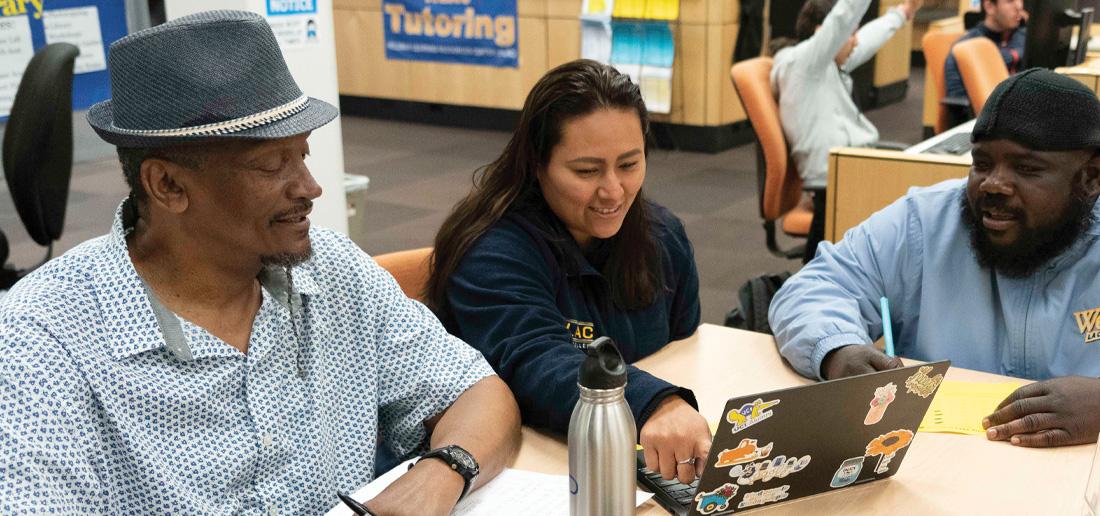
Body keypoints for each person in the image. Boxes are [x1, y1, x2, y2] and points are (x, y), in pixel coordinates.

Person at [0, 11, 520, 514]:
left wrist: (443, 470)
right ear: (168, 185)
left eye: (303, 155)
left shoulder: (333, 270)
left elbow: (477, 392)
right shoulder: (44, 340)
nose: (311, 189)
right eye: (271, 164)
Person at [769, 69, 1100, 448]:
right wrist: (837, 350)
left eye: (1026, 169)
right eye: (983, 163)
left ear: (1090, 178)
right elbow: (816, 287)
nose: (993, 184)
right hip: (940, 469)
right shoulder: (925, 221)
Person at [426, 59, 709, 485]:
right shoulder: (491, 251)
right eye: (587, 171)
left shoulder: (663, 236)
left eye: (629, 165)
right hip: (528, 468)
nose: (613, 191)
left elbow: (685, 354)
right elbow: (536, 362)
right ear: (537, 165)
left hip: (632, 456)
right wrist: (655, 403)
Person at [771, 0, 922, 262]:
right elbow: (844, 14)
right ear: (824, 33)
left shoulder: (824, 65)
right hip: (836, 179)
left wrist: (903, 12)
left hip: (851, 169)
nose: (854, 41)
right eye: (850, 34)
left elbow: (868, 39)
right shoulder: (804, 66)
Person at [944, 0, 1026, 100]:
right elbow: (958, 102)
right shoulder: (966, 47)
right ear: (989, 6)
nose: (1019, 6)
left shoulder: (1022, 36)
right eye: (1009, 1)